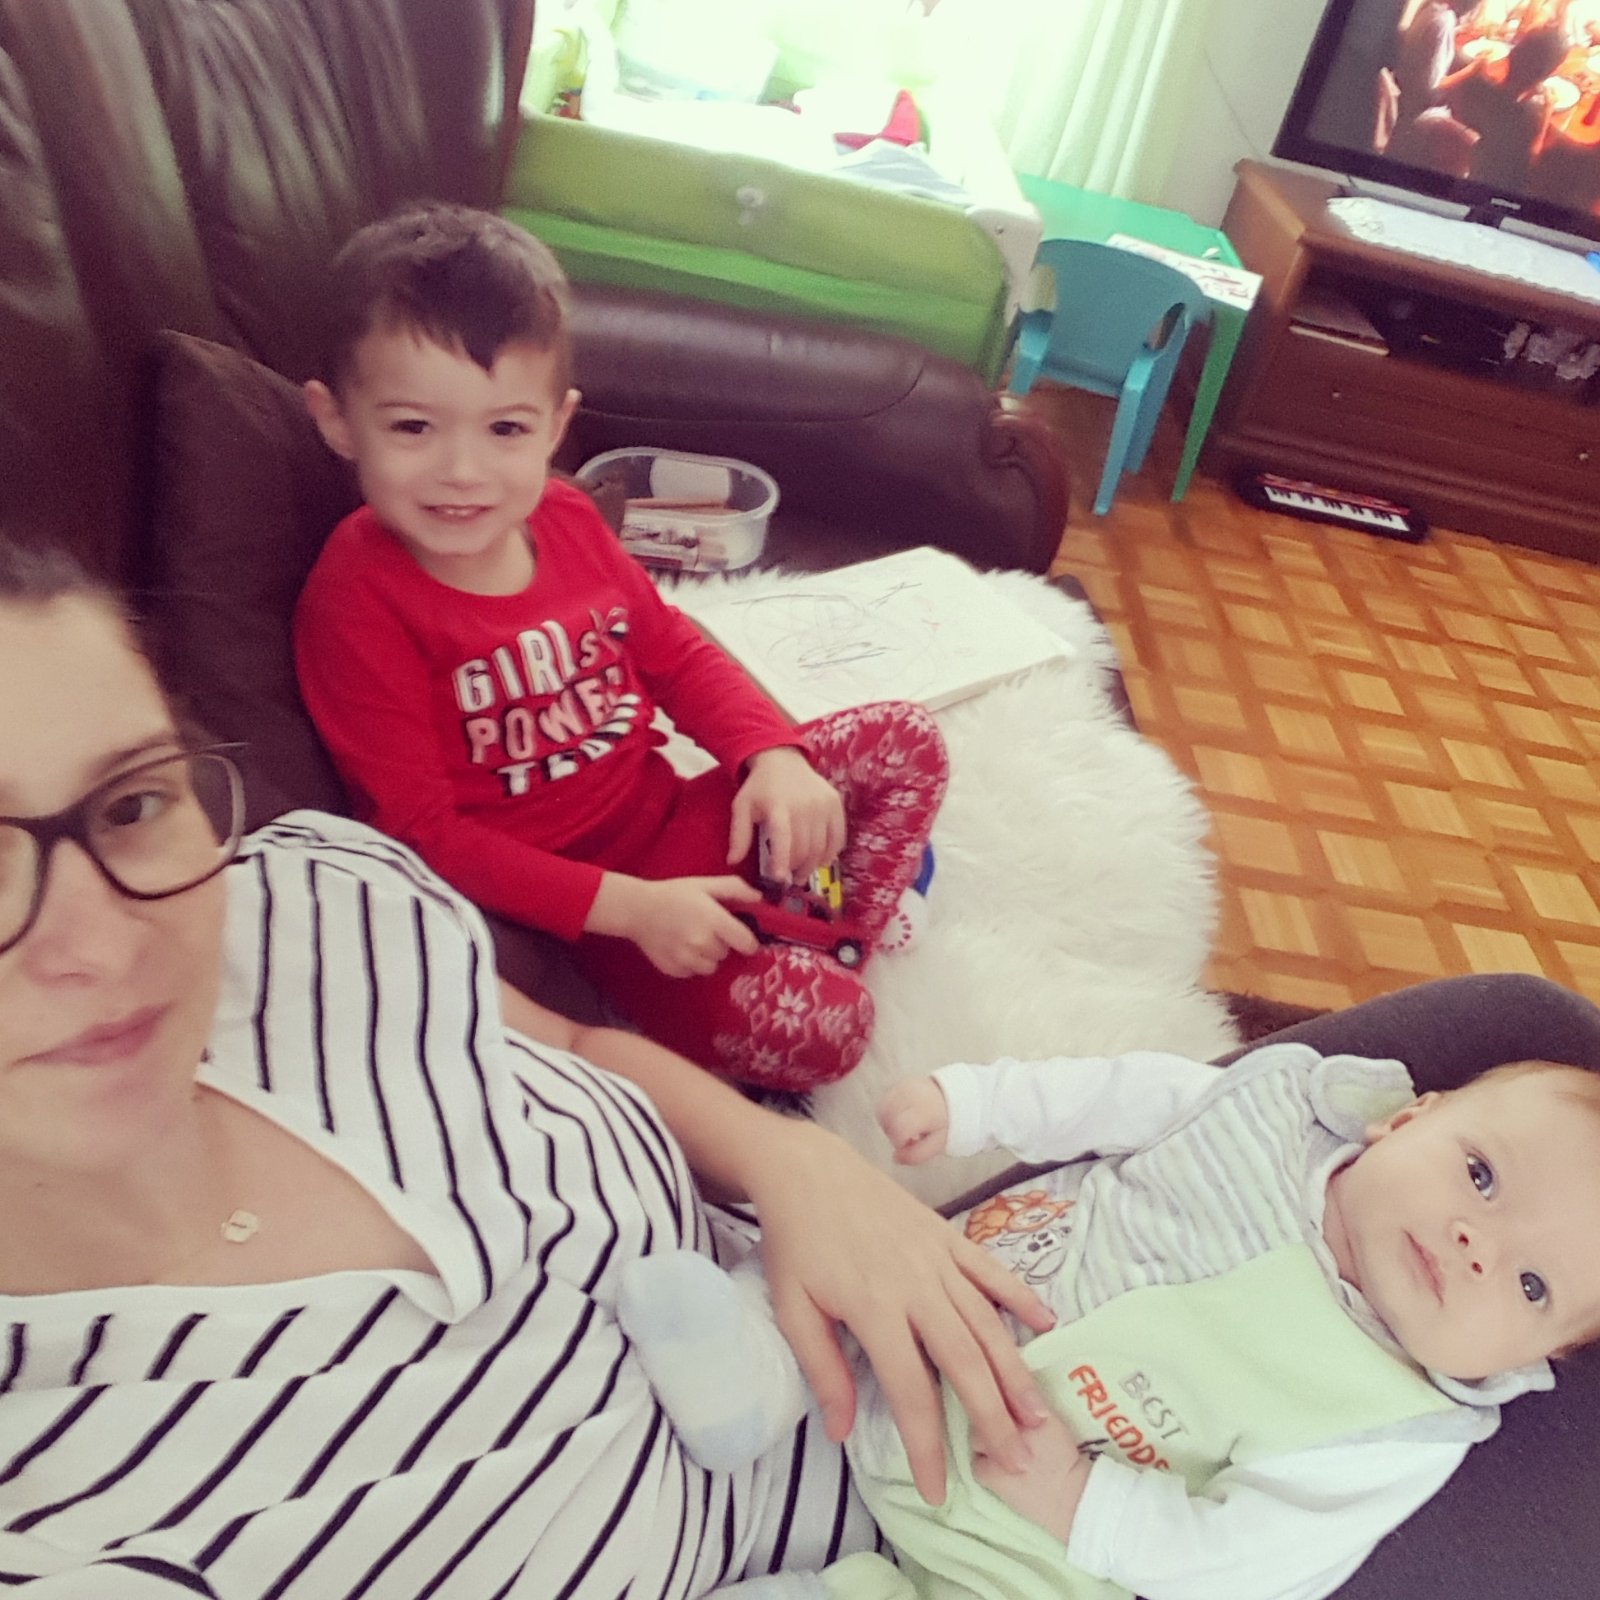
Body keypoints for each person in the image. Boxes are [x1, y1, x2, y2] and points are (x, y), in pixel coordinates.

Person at [0, 535, 1056, 1593]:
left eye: (132, 803)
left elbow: (571, 1042)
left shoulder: (311, 906)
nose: (105, 946)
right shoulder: (60, 1511)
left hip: (975, 1318)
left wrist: (792, 1164)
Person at [291, 201, 947, 1094]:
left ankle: (822, 923)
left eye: (505, 429)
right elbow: (422, 836)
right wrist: (631, 911)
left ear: (556, 424)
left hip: (682, 817)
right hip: (608, 923)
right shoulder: (358, 597)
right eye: (413, 427)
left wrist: (772, 756)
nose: (462, 472)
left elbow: (674, 651)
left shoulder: (566, 515)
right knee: (830, 1032)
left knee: (908, 741)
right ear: (336, 420)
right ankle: (827, 923)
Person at [619, 1040, 1600, 1599]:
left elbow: (1246, 1564)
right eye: (1481, 1175)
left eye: (1530, 1287)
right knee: (844, 1267)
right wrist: (978, 1103)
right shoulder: (1266, 1115)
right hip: (938, 1313)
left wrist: (1082, 1504)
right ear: (1409, 1116)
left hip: (1008, 1547)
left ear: (1534, 1357)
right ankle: (747, 1367)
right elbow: (1118, 1094)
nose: (1476, 1244)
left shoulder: (1392, 1428)